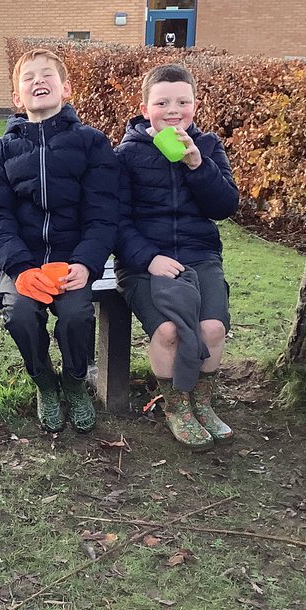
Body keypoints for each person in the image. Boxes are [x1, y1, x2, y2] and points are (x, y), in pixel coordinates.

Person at [0, 49, 120, 434]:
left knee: (76, 315)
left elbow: (103, 213)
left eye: (47, 75)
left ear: (66, 89)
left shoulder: (92, 143)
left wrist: (86, 262)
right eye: (28, 77)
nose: (38, 81)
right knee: (21, 315)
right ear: (17, 96)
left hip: (72, 262)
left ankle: (74, 382)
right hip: (22, 263)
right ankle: (43, 381)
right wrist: (19, 267)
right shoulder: (1, 151)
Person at [113, 63, 240, 451]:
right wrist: (148, 258)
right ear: (145, 108)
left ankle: (202, 401)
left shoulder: (208, 147)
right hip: (145, 263)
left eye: (183, 102)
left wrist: (197, 165)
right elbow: (114, 221)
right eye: (162, 103)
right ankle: (177, 406)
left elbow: (224, 206)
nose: (173, 110)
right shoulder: (126, 155)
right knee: (168, 332)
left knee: (212, 329)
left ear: (194, 106)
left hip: (199, 255)